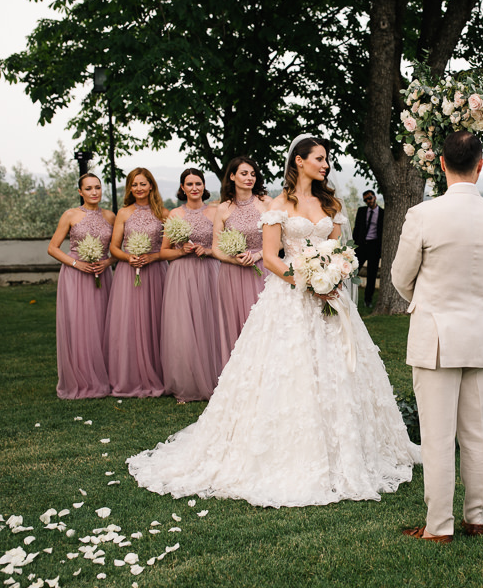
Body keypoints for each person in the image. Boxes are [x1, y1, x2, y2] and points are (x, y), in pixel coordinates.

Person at [126, 135, 419, 508]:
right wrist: (307, 280)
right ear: (299, 161)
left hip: (330, 298)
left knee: (339, 372)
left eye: (326, 159)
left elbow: (339, 250)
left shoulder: (332, 204)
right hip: (291, 299)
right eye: (319, 158)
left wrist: (334, 274)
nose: (325, 164)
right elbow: (269, 257)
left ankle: (351, 446)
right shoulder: (278, 205)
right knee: (287, 372)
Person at [391, 130, 483, 543]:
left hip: (436, 336)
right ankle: (476, 517)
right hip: (479, 333)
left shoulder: (423, 215)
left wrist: (426, 300)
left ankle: (439, 526)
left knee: (438, 436)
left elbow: (399, 277)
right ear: (480, 166)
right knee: (476, 433)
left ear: (441, 164)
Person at [47, 173, 116, 399]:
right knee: (79, 325)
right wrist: (77, 263)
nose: (94, 192)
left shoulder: (110, 216)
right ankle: (79, 379)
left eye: (97, 187)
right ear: (80, 192)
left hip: (102, 275)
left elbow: (118, 250)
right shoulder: (70, 215)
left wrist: (107, 262)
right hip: (75, 276)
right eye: (88, 188)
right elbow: (53, 248)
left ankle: (104, 376)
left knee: (102, 324)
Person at [159, 168, 222, 402]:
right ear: (182, 188)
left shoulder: (215, 212)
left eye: (198, 183)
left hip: (209, 272)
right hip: (181, 274)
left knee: (211, 323)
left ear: (204, 187)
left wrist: (206, 250)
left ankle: (215, 377)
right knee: (183, 327)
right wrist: (180, 250)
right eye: (189, 184)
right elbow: (163, 252)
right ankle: (186, 382)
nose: (194, 188)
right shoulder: (174, 214)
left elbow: (222, 247)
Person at [105, 168, 170, 397]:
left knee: (156, 321)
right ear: (129, 188)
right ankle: (130, 375)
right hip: (128, 271)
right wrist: (127, 257)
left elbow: (169, 248)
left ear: (151, 185)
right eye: (134, 185)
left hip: (155, 272)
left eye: (143, 184)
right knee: (129, 323)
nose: (139, 188)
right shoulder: (123, 213)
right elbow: (113, 247)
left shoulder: (164, 213)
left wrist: (152, 257)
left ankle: (160, 374)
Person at [212, 156, 271, 367]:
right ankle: (236, 378)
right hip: (232, 274)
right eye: (244, 173)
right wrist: (235, 259)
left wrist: (257, 255)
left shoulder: (266, 203)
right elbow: (215, 248)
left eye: (253, 174)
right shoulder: (223, 208)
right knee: (235, 325)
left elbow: (280, 242)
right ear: (232, 176)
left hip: (262, 269)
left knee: (263, 323)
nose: (249, 178)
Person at [353, 189, 384, 308]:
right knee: (353, 271)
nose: (368, 201)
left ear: (375, 197)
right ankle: (349, 294)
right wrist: (354, 246)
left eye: (370, 198)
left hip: (374, 247)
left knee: (371, 275)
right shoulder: (361, 211)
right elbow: (356, 229)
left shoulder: (382, 213)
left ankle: (368, 300)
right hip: (361, 246)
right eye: (366, 200)